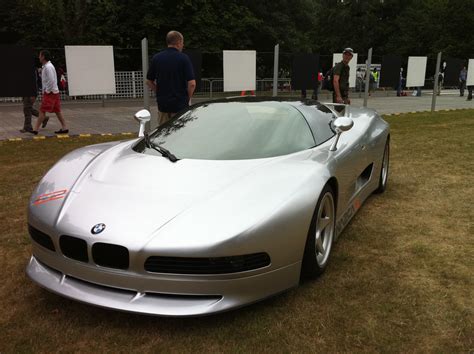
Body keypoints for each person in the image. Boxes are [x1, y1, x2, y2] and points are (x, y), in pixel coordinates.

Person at [146, 31, 196, 126]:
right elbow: (192, 84)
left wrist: (159, 91)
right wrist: (186, 98)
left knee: (163, 134)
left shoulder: (157, 58)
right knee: (180, 134)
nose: (183, 45)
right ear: (179, 42)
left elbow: (149, 81)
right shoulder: (184, 58)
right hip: (180, 107)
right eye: (182, 43)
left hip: (163, 106)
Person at [32, 50, 68, 135]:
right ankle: (64, 127)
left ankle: (35, 129)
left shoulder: (48, 67)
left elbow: (51, 80)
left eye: (40, 55)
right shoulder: (47, 66)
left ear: (43, 56)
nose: (39, 57)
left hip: (50, 93)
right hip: (53, 92)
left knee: (42, 110)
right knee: (57, 110)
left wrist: (47, 90)